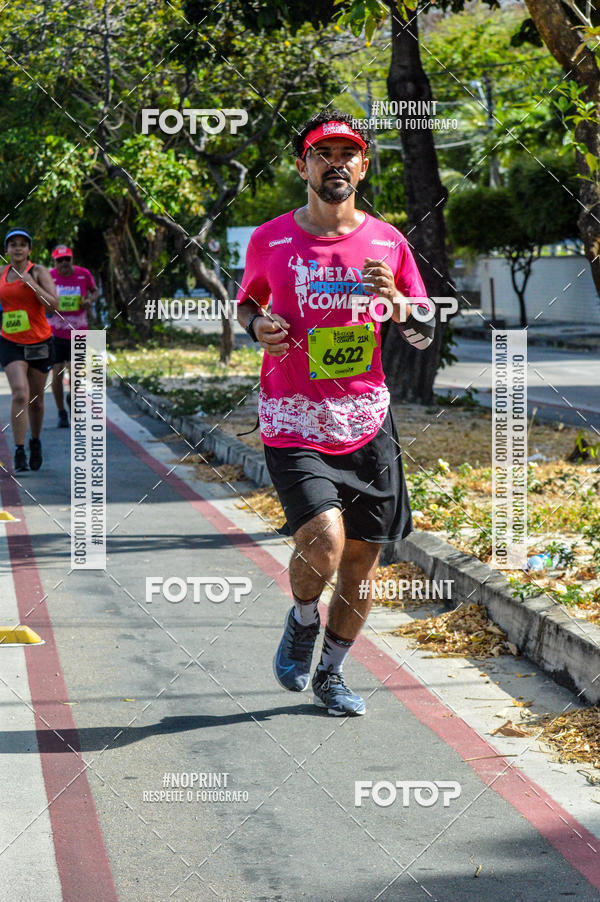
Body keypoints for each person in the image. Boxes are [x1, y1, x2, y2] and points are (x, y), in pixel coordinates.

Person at [236, 111, 436, 717]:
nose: (337, 164)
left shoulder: (387, 242)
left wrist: (400, 305)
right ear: (304, 166)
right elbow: (246, 304)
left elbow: (425, 337)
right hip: (294, 417)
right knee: (323, 542)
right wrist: (257, 327)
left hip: (367, 420)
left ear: (363, 166)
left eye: (349, 154)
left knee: (361, 561)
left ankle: (332, 672)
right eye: (324, 155)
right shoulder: (270, 239)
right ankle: (302, 620)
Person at [0, 228, 59, 472]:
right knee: (20, 394)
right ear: (6, 250)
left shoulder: (38, 271)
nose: (17, 248)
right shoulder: (2, 275)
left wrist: (32, 284)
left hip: (39, 342)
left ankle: (35, 442)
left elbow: (53, 306)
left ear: (29, 250)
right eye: (13, 244)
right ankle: (20, 449)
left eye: (22, 244)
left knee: (35, 400)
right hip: (10, 341)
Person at [48, 244, 99, 427]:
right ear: (55, 261)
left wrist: (89, 301)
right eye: (59, 260)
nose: (63, 263)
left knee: (76, 373)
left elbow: (95, 292)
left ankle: (72, 398)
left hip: (79, 331)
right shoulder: (50, 276)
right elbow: (42, 299)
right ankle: (61, 412)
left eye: (66, 259)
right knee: (56, 374)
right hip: (55, 333)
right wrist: (51, 305)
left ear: (72, 259)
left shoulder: (83, 274)